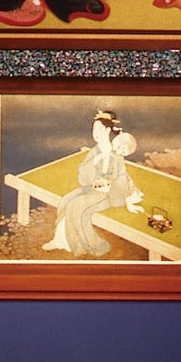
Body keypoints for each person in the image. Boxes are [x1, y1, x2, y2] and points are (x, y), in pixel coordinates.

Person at [47, 108, 139, 257]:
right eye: (94, 129)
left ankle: (95, 247)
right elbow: (83, 177)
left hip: (107, 193)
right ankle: (60, 240)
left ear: (108, 130)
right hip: (92, 188)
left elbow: (121, 179)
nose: (95, 133)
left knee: (77, 206)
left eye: (99, 129)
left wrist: (120, 197)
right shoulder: (95, 151)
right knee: (66, 200)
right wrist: (96, 160)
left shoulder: (117, 152)